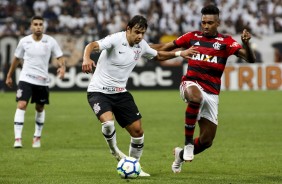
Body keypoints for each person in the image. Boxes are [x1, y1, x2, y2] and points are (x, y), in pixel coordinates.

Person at [82, 15, 197, 177]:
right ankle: (114, 150)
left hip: (120, 93)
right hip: (98, 91)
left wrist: (179, 53)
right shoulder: (115, 39)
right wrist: (86, 58)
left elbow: (158, 55)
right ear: (128, 29)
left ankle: (134, 166)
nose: (140, 36)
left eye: (142, 33)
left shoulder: (141, 45)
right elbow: (92, 45)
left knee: (137, 132)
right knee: (108, 123)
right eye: (137, 32)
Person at [150, 5, 256, 173]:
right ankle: (188, 143)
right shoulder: (192, 36)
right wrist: (143, 47)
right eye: (203, 22)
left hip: (212, 92)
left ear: (218, 23)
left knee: (207, 140)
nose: (206, 26)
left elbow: (250, 59)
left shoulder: (226, 42)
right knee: (195, 97)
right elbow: (165, 47)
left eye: (210, 23)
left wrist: (246, 44)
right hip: (190, 84)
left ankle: (180, 155)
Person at [5, 16, 65, 148]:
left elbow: (59, 56)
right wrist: (9, 75)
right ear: (31, 26)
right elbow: (16, 59)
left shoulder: (50, 41)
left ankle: (37, 137)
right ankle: (18, 139)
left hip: (42, 81)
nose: (38, 26)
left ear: (43, 26)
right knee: (21, 105)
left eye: (40, 24)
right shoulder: (24, 41)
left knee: (39, 108)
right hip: (26, 78)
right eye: (36, 24)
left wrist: (62, 67)